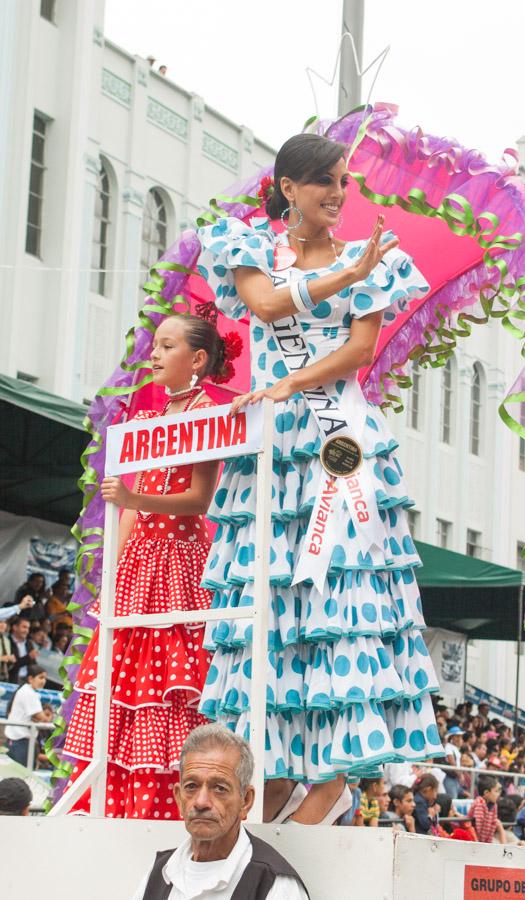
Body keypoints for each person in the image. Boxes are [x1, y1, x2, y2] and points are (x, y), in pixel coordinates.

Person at [196, 131, 441, 826]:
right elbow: (268, 307)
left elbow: (361, 350)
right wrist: (347, 273)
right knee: (267, 612)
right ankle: (264, 784)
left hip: (338, 442)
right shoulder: (248, 245)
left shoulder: (379, 261)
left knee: (339, 607)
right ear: (288, 186)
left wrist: (296, 380)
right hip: (270, 452)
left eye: (345, 182)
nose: (339, 194)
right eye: (326, 181)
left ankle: (330, 777)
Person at [61, 313, 228, 818]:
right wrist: (112, 569)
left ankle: (161, 806)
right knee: (123, 678)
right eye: (155, 345)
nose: (154, 354)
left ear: (196, 359)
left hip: (178, 559)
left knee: (168, 685)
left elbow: (200, 499)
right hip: (140, 559)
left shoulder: (207, 413)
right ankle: (110, 804)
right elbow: (132, 504)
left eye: (167, 345)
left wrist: (137, 497)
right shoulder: (147, 419)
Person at [132, 723, 309, 900]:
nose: (201, 802)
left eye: (219, 788)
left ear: (245, 801)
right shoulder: (160, 873)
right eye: (191, 786)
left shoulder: (273, 884)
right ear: (179, 798)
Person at [5, 665, 53, 766]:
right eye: (40, 677)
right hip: (20, 743)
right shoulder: (29, 693)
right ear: (30, 678)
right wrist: (48, 717)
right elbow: (42, 718)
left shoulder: (24, 690)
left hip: (15, 741)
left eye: (45, 678)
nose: (43, 681)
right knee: (21, 777)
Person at [470, 774, 506, 844]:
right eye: (496, 791)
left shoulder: (494, 805)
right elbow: (478, 827)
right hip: (475, 841)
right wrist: (480, 844)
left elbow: (493, 824)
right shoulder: (479, 803)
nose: (498, 794)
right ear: (486, 792)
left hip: (486, 841)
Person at [6, 616, 38, 683]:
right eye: (24, 627)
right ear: (15, 627)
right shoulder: (7, 642)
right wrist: (28, 657)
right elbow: (10, 666)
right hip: (11, 680)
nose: (27, 631)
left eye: (28, 628)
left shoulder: (29, 643)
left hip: (27, 680)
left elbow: (33, 663)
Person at [442, 726, 465, 799]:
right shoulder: (448, 747)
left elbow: (458, 763)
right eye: (457, 736)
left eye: (460, 737)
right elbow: (452, 762)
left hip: (455, 777)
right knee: (452, 799)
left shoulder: (455, 748)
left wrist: (460, 774)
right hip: (450, 777)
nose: (459, 739)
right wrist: (460, 775)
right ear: (451, 737)